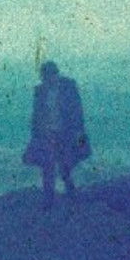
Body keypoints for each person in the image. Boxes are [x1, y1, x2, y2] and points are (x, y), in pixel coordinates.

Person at [23, 61, 90, 208]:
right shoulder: (40, 91)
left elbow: (77, 111)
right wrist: (37, 134)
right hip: (47, 135)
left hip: (65, 134)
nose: (46, 80)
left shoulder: (68, 87)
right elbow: (36, 115)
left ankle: (71, 194)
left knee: (64, 165)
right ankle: (49, 199)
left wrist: (78, 132)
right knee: (48, 166)